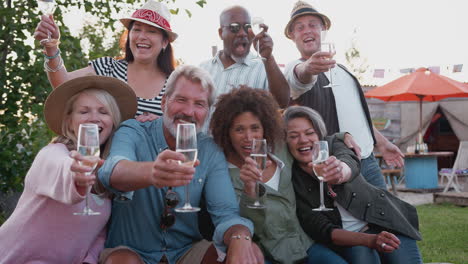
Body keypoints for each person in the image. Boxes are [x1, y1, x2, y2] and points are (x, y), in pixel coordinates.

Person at [97, 65, 263, 264]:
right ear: (164, 102)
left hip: (185, 251)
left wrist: (241, 236)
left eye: (199, 104)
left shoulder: (209, 149)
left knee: (251, 250)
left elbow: (225, 213)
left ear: (207, 112)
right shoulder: (133, 130)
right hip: (130, 250)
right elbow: (113, 170)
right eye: (181, 100)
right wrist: (152, 172)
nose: (188, 111)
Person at [0, 76, 137, 263]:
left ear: (113, 121)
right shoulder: (52, 154)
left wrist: (89, 260)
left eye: (104, 112)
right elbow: (60, 169)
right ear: (69, 120)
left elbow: (98, 234)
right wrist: (76, 175)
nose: (94, 118)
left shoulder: (106, 172)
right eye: (84, 111)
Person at [210, 87, 350, 264]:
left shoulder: (281, 150)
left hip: (305, 245)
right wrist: (250, 189)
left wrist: (341, 137)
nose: (248, 137)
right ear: (227, 133)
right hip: (269, 254)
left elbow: (310, 142)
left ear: (265, 128)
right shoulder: (224, 176)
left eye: (255, 128)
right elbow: (253, 226)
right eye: (239, 129)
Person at [283, 1, 404, 189]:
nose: (307, 30)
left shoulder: (344, 72)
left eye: (313, 25)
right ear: (292, 36)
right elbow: (300, 76)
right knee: (348, 219)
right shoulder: (293, 67)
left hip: (368, 159)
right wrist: (307, 68)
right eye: (300, 27)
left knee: (386, 215)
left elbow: (357, 117)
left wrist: (382, 142)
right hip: (335, 165)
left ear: (323, 30)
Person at [284, 105, 423, 264]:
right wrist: (371, 240)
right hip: (350, 239)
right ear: (285, 141)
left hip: (383, 221)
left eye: (310, 133)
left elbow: (350, 161)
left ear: (319, 135)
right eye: (294, 136)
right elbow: (323, 230)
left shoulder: (334, 144)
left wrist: (340, 173)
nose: (303, 140)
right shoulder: (291, 178)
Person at [34, 0, 177, 118]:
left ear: (165, 42)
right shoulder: (108, 67)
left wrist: (160, 124)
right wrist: (51, 47)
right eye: (137, 29)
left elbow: (185, 127)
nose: (142, 36)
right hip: (107, 152)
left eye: (151, 31)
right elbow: (62, 84)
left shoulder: (175, 83)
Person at [200, 5, 290, 131]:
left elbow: (282, 102)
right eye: (234, 28)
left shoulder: (264, 67)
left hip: (249, 150)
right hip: (205, 149)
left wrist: (268, 58)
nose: (242, 33)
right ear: (221, 33)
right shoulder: (203, 70)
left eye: (247, 27)